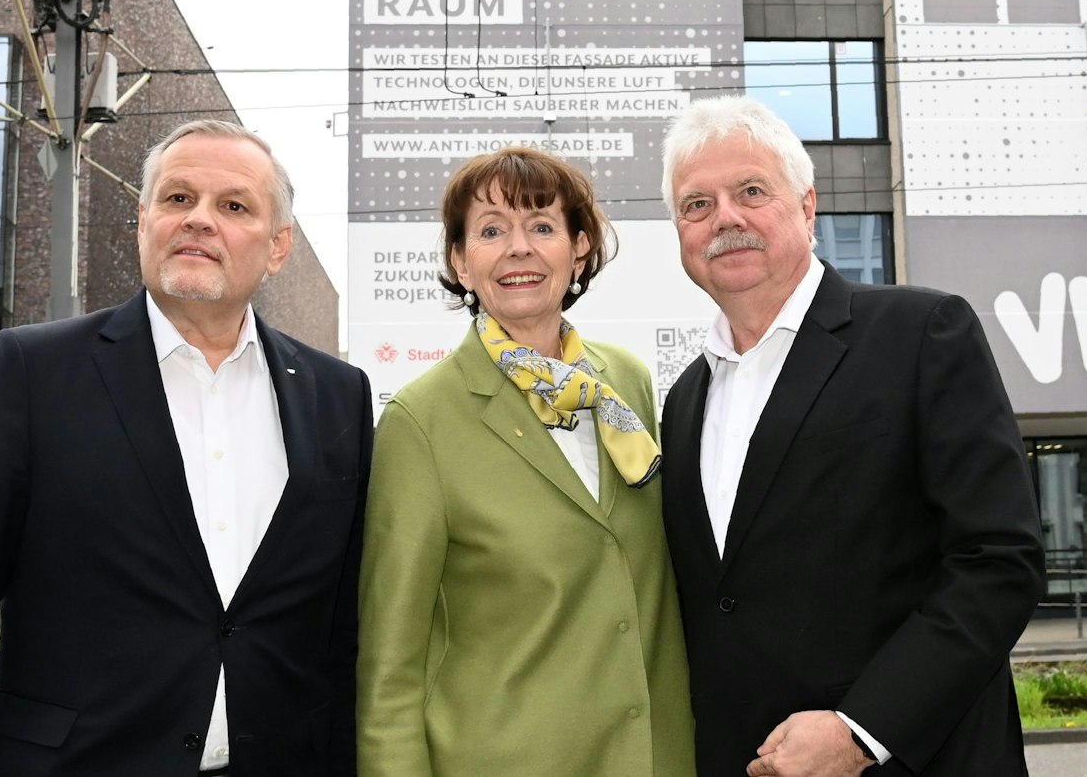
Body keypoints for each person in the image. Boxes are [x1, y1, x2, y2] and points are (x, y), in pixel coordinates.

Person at [0, 120, 374, 777]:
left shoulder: (337, 395)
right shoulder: (34, 371)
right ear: (143, 219)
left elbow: (340, 632)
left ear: (278, 246)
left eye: (233, 205)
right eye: (177, 199)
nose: (199, 219)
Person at [657, 96, 1044, 777]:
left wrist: (862, 730)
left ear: (807, 207)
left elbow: (998, 559)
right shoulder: (685, 400)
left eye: (751, 190)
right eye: (696, 204)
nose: (725, 218)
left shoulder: (922, 333)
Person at [358, 147, 696, 777]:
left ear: (579, 250)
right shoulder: (420, 420)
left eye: (542, 226)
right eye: (491, 231)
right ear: (460, 262)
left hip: (653, 756)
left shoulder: (628, 383)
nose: (519, 249)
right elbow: (391, 664)